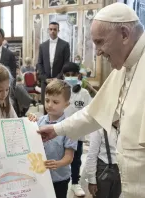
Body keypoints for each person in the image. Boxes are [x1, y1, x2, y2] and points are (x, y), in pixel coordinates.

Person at [37, 3, 145, 198]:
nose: (98, 52)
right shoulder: (126, 65)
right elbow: (94, 113)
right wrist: (56, 129)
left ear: (125, 34)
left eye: (100, 42)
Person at [30, 79, 77, 198]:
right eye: (47, 100)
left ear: (66, 104)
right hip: (39, 176)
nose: (49, 105)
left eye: (55, 102)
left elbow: (69, 156)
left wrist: (59, 163)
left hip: (59, 179)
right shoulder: (39, 121)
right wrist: (29, 122)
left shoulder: (69, 127)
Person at [63, 62, 92, 196]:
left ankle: (75, 183)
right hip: (61, 132)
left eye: (72, 75)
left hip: (77, 132)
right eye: (67, 75)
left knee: (76, 159)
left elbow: (89, 111)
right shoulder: (60, 91)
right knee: (60, 158)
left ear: (78, 75)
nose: (70, 77)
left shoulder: (84, 93)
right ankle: (60, 182)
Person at [36, 22, 70, 114]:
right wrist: (45, 78)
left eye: (55, 29)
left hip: (59, 81)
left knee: (58, 105)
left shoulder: (65, 45)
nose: (52, 31)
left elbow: (66, 64)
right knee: (46, 106)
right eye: (50, 29)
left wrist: (57, 78)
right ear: (48, 30)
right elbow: (40, 63)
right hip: (45, 81)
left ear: (58, 31)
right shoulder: (42, 46)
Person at [85, 122, 121, 198]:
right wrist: (92, 181)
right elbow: (92, 155)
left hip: (120, 172)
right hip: (103, 170)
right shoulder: (99, 128)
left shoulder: (124, 127)